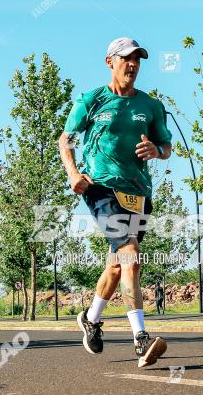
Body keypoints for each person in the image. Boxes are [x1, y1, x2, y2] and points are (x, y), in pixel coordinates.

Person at [58, 37, 173, 367]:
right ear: (110, 62)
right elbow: (65, 139)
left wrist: (157, 151)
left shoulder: (149, 106)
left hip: (138, 194)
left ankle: (91, 320)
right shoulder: (91, 101)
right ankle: (141, 339)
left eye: (138, 59)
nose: (133, 64)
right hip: (101, 189)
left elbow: (166, 146)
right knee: (131, 257)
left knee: (116, 265)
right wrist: (73, 173)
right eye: (126, 58)